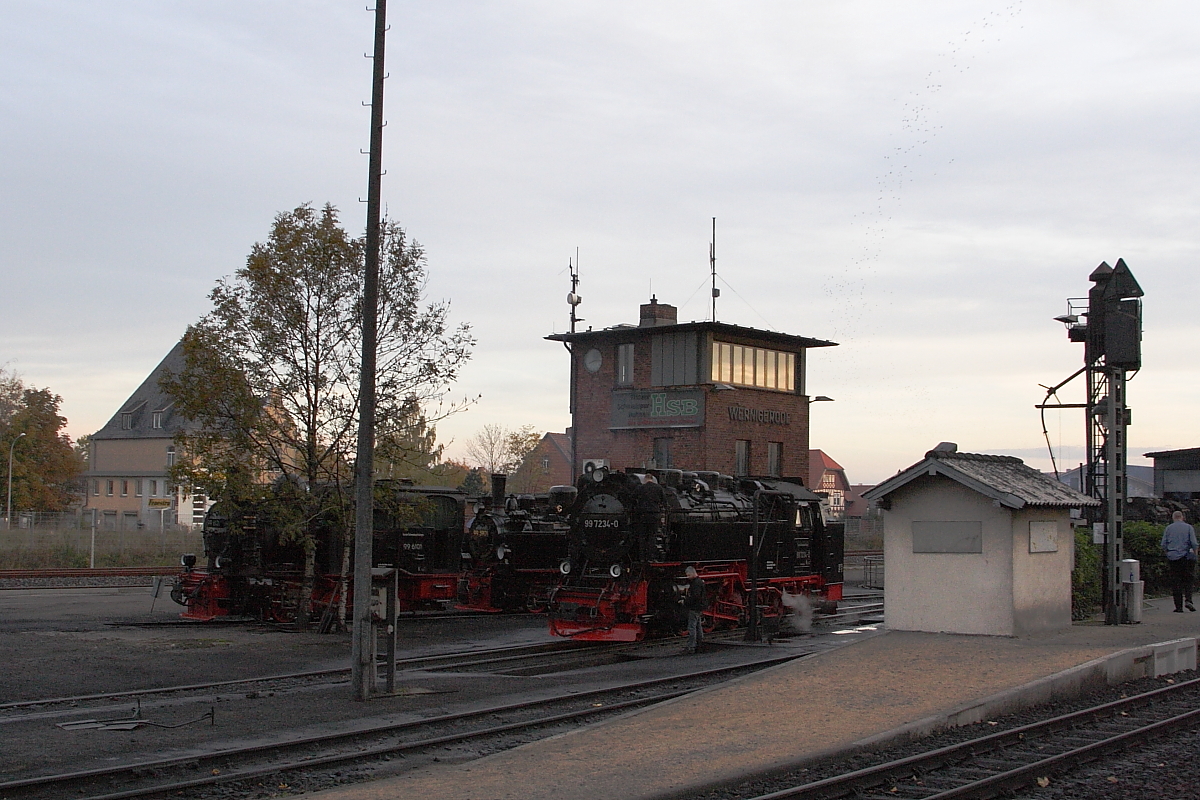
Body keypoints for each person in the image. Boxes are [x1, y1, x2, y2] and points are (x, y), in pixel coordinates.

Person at [1161, 510, 1198, 613]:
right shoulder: (1189, 527)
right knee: (1188, 580)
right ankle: (1188, 600)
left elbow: (1163, 544)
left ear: (1173, 518)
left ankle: (1178, 607)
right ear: (1182, 517)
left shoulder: (1168, 528)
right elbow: (1194, 543)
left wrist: (1168, 553)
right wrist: (1195, 554)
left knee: (1176, 581)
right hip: (1186, 558)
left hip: (1173, 558)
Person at [683, 565, 706, 653]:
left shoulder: (696, 584)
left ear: (692, 573)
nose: (687, 577)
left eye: (688, 575)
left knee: (692, 627)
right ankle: (700, 644)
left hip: (695, 607)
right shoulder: (699, 582)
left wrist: (685, 601)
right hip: (699, 607)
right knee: (698, 626)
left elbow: (695, 597)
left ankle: (691, 646)